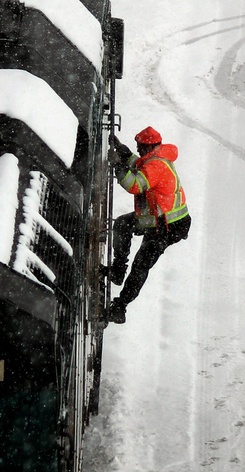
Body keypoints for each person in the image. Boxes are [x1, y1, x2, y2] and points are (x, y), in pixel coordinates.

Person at [104, 125, 192, 324]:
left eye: (138, 147)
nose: (137, 149)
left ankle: (120, 307)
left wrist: (118, 166)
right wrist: (124, 153)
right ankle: (118, 271)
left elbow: (134, 184)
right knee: (123, 224)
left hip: (168, 227)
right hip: (160, 222)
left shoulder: (157, 165)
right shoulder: (156, 159)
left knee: (141, 265)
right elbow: (142, 166)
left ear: (147, 147)